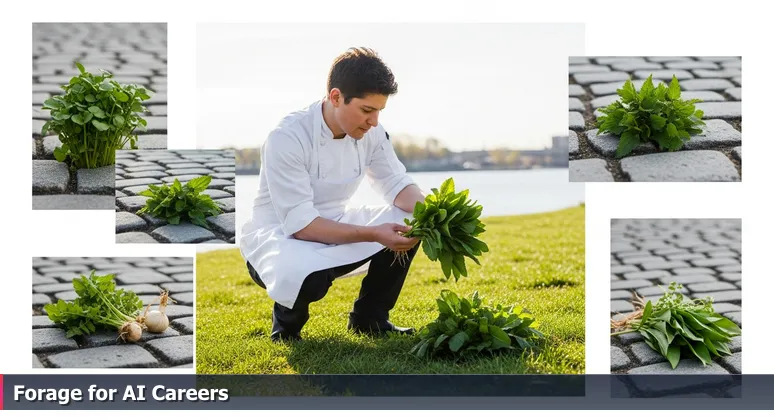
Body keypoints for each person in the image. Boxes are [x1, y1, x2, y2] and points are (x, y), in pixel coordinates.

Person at [240, 47, 426, 342]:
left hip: (334, 223)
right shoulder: (287, 137)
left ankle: (370, 319)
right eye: (367, 110)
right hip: (280, 238)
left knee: (412, 220)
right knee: (307, 276)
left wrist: (437, 213)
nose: (374, 121)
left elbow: (396, 183)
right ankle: (286, 329)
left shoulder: (372, 133)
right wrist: (375, 234)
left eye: (379, 111)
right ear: (336, 97)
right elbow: (301, 226)